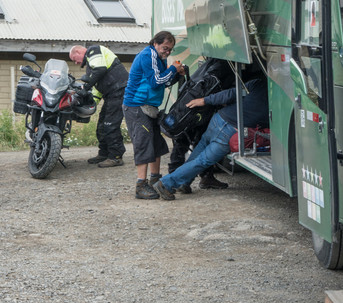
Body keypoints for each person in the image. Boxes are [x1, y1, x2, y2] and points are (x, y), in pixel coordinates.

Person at [152, 77, 269, 200]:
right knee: (203, 161)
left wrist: (205, 100)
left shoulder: (259, 82)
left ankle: (183, 183)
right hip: (229, 131)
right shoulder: (278, 98)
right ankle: (165, 184)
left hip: (218, 119)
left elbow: (231, 93)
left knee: (197, 154)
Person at [122, 31, 186, 199]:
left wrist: (176, 75)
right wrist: (173, 68)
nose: (167, 52)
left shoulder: (160, 58)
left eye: (170, 49)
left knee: (156, 142)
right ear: (155, 43)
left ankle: (155, 179)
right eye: (165, 48)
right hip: (136, 106)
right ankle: (140, 185)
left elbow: (163, 82)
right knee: (143, 143)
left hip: (150, 106)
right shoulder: (148, 55)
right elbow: (155, 81)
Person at [166, 57, 235, 193]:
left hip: (194, 105)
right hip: (201, 107)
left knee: (185, 142)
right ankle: (177, 179)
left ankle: (190, 177)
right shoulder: (226, 65)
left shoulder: (214, 61)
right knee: (191, 142)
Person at [68, 44, 129, 167]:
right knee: (102, 125)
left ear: (79, 52)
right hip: (111, 94)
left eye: (75, 59)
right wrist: (91, 104)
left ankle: (116, 157)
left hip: (119, 90)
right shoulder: (91, 64)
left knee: (110, 124)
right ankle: (104, 154)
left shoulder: (93, 50)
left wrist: (85, 88)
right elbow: (98, 86)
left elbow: (100, 70)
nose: (76, 63)